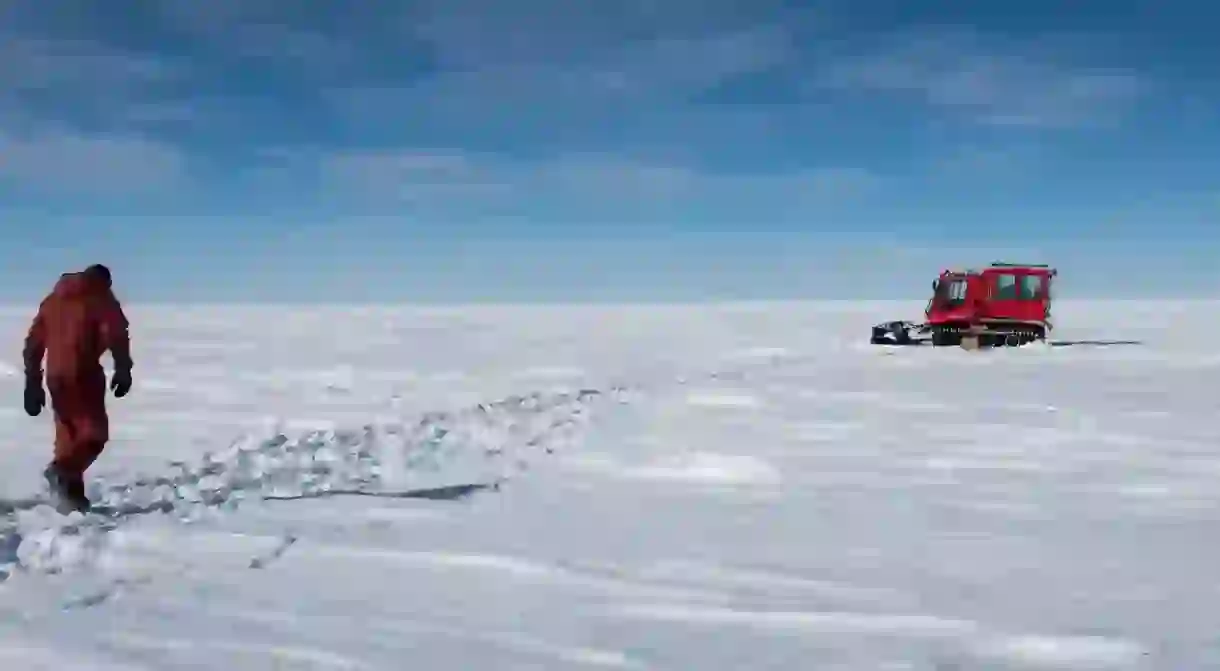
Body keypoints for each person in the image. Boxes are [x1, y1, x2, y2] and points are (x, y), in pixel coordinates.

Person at [22, 264, 133, 512]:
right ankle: (62, 472)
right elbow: (116, 333)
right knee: (94, 435)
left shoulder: (53, 300)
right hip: (84, 373)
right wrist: (123, 367)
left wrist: (33, 382)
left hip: (56, 376)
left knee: (69, 436)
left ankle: (70, 499)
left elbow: (33, 343)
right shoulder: (100, 296)